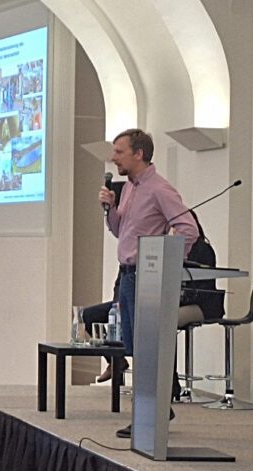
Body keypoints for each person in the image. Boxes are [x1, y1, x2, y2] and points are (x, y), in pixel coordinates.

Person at [100, 129, 198, 438]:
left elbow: (187, 227)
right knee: (133, 348)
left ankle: (149, 412)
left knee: (145, 348)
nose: (113, 157)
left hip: (147, 276)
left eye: (119, 152)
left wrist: (168, 266)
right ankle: (154, 409)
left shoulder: (159, 188)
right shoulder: (129, 188)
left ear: (138, 154)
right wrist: (111, 209)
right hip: (127, 275)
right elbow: (121, 231)